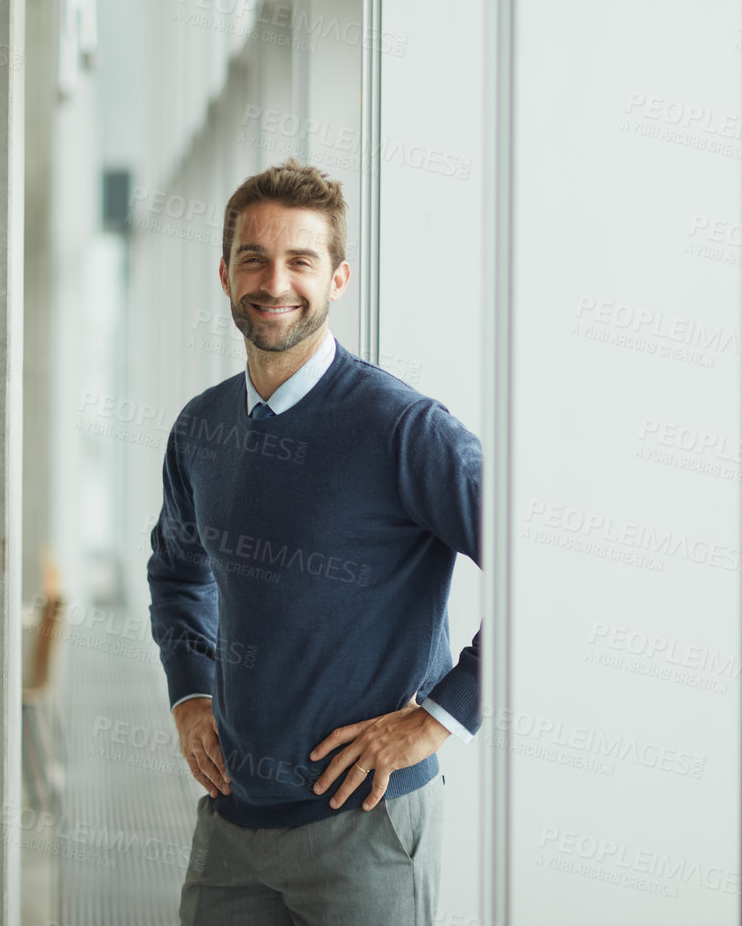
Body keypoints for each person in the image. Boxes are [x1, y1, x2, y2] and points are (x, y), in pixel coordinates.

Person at [147, 158, 481, 925]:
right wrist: (190, 691)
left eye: (301, 260)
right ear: (226, 274)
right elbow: (175, 572)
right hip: (232, 824)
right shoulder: (201, 427)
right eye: (255, 259)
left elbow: (539, 575)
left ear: (338, 278)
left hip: (364, 832)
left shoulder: (404, 430)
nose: (275, 282)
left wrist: (435, 718)